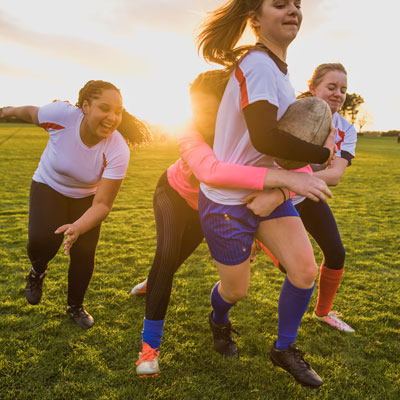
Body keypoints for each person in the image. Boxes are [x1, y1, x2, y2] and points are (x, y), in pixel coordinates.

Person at [134, 69, 332, 378]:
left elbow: (302, 169)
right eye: (199, 108)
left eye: (214, 108)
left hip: (225, 206)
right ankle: (149, 349)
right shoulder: (189, 129)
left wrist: (280, 192)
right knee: (167, 258)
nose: (206, 116)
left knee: (233, 280)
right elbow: (211, 171)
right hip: (180, 197)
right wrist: (282, 181)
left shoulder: (250, 126)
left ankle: (225, 321)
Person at [196, 0, 337, 389]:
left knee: (305, 269)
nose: (293, 9)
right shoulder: (256, 64)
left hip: (267, 189)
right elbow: (265, 137)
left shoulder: (278, 72)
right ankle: (219, 320)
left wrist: (289, 179)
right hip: (227, 200)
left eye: (297, 4)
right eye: (280, 4)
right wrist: (324, 155)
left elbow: (279, 149)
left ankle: (284, 348)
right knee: (236, 290)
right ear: (255, 19)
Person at [0, 80, 151, 328]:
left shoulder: (118, 149)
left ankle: (75, 306)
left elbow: (102, 205)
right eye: (105, 108)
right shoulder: (60, 115)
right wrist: (4, 111)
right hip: (49, 184)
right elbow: (27, 112)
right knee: (42, 241)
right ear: (85, 106)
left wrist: (79, 227)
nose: (113, 118)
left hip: (87, 198)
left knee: (84, 253)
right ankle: (37, 272)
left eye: (118, 111)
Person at [253, 63, 357, 332]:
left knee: (336, 253)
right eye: (331, 87)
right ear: (313, 88)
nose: (338, 94)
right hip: (274, 195)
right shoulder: (289, 111)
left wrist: (296, 184)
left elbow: (334, 175)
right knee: (296, 269)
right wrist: (284, 186)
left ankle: (323, 313)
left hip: (303, 196)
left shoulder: (346, 129)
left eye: (343, 89)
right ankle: (260, 240)